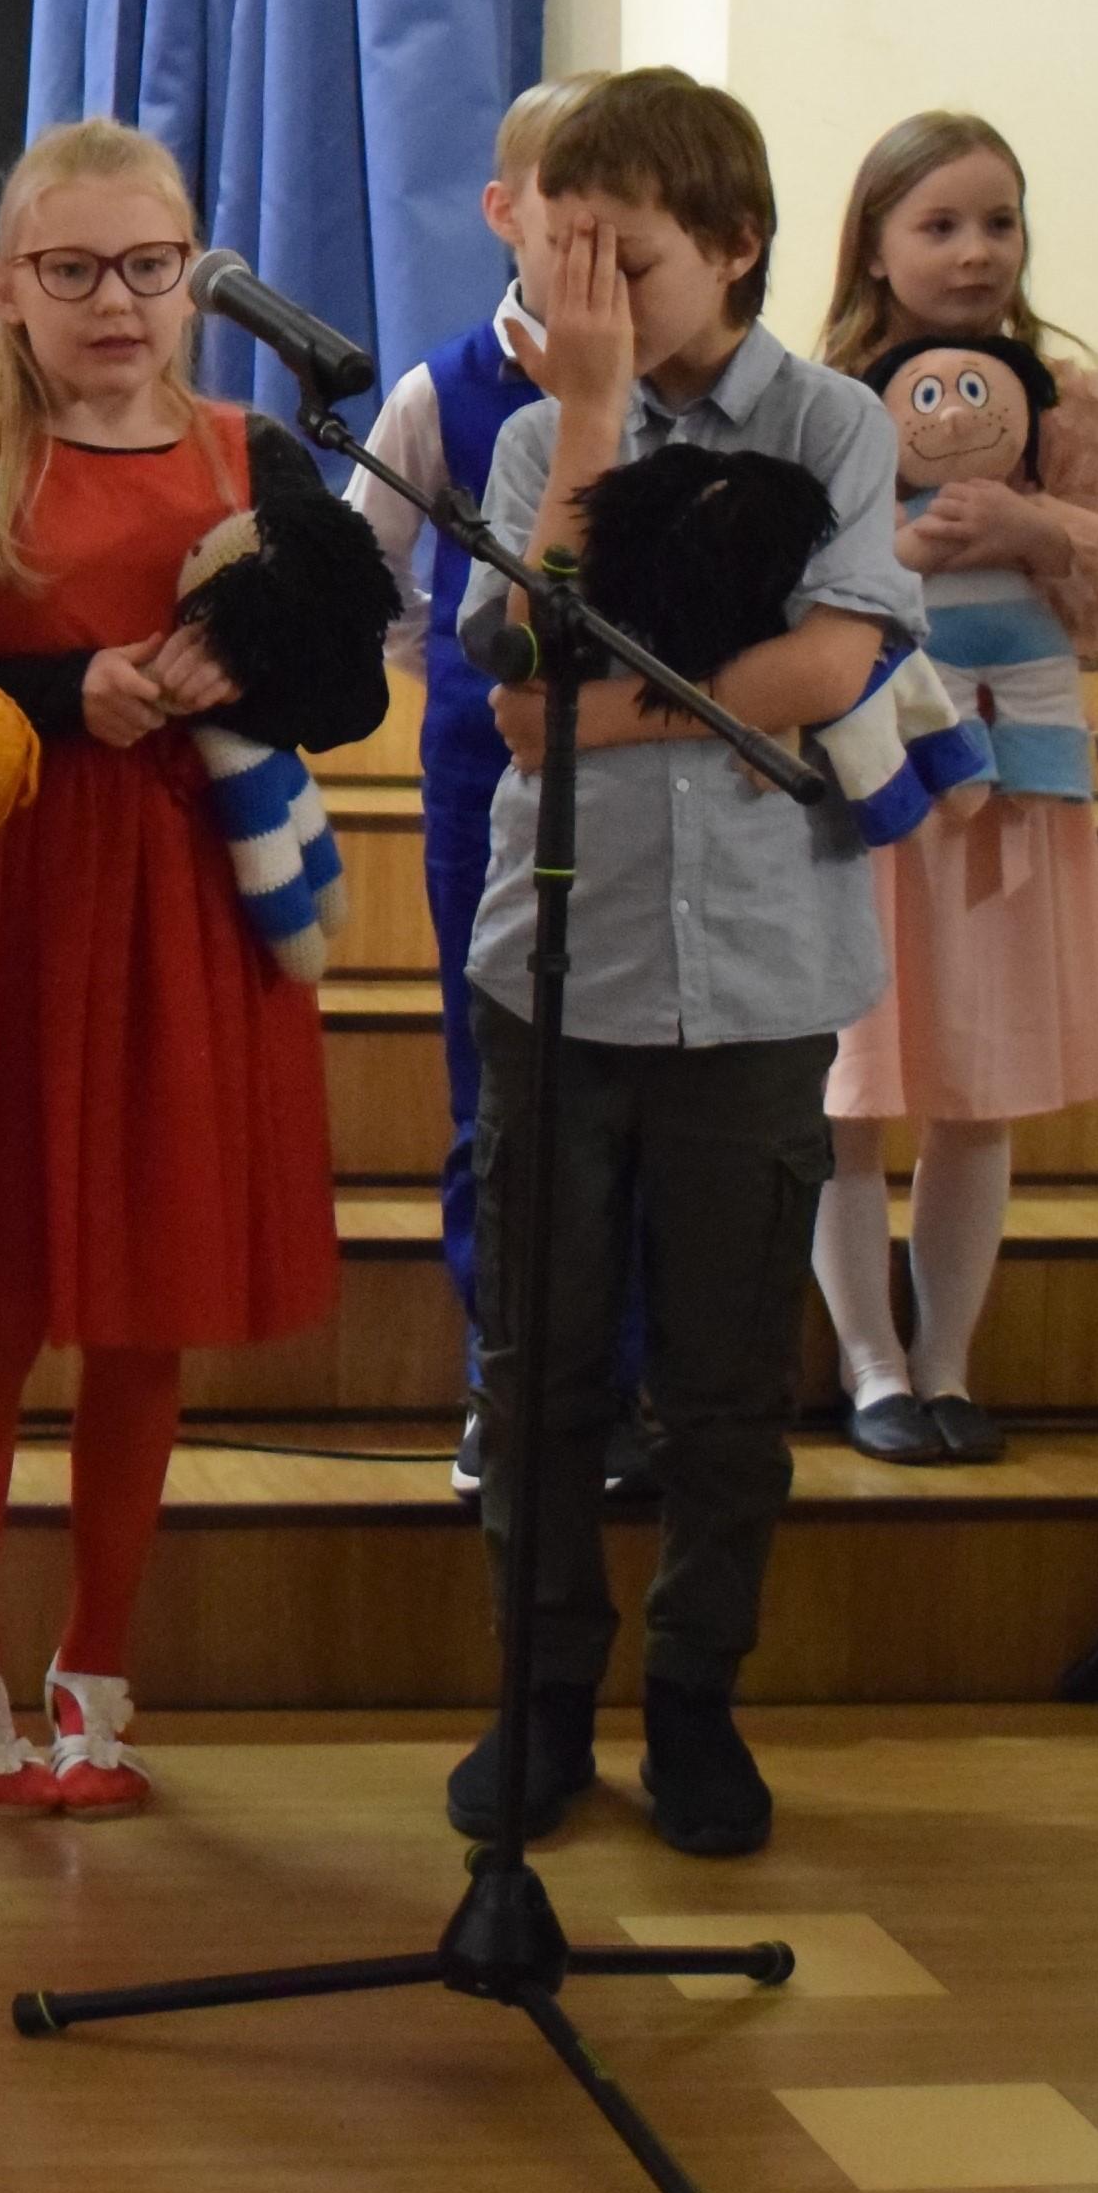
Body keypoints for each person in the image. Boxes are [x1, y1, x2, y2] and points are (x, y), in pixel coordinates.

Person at [0, 118, 371, 1814]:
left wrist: (235, 676)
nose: (115, 301)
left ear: (194, 277)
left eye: (148, 266)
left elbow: (348, 691)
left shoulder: (255, 458)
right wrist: (69, 696)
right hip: (7, 907)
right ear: (6, 287)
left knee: (148, 1310)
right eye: (71, 270)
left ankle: (96, 1666)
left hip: (184, 918)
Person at [442, 68, 912, 1861]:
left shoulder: (830, 425)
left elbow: (830, 666)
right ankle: (542, 1696)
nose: (582, 295)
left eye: (620, 262)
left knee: (723, 1381)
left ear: (731, 246)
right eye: (557, 257)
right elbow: (517, 684)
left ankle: (697, 1696)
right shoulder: (531, 439)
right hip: (556, 969)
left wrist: (607, 710)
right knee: (540, 1367)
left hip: (762, 975)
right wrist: (585, 415)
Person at [805, 109, 1098, 1464]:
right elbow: (790, 584)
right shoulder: (824, 403)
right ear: (874, 245)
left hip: (1015, 787)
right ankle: (870, 1366)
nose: (973, 252)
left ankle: (946, 1360)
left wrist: (1036, 528)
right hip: (871, 790)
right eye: (939, 225)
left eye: (997, 223)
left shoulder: (1060, 401)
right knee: (851, 1089)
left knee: (978, 1087)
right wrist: (897, 548)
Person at [344, 74, 643, 1508]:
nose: (594, 246)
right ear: (504, 213)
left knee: (634, 1087)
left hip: (647, 772)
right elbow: (371, 573)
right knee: (501, 1089)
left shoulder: (676, 397)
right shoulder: (440, 391)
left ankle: (626, 1386)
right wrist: (449, 684)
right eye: (566, 213)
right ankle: (506, 1381)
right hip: (485, 774)